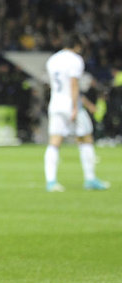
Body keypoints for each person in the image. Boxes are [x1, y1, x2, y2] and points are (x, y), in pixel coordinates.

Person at [44, 35, 109, 192]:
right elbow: (73, 84)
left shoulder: (52, 60)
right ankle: (90, 179)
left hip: (55, 104)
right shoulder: (75, 60)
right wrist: (75, 107)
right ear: (77, 45)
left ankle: (51, 181)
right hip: (71, 104)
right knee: (86, 138)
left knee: (54, 141)